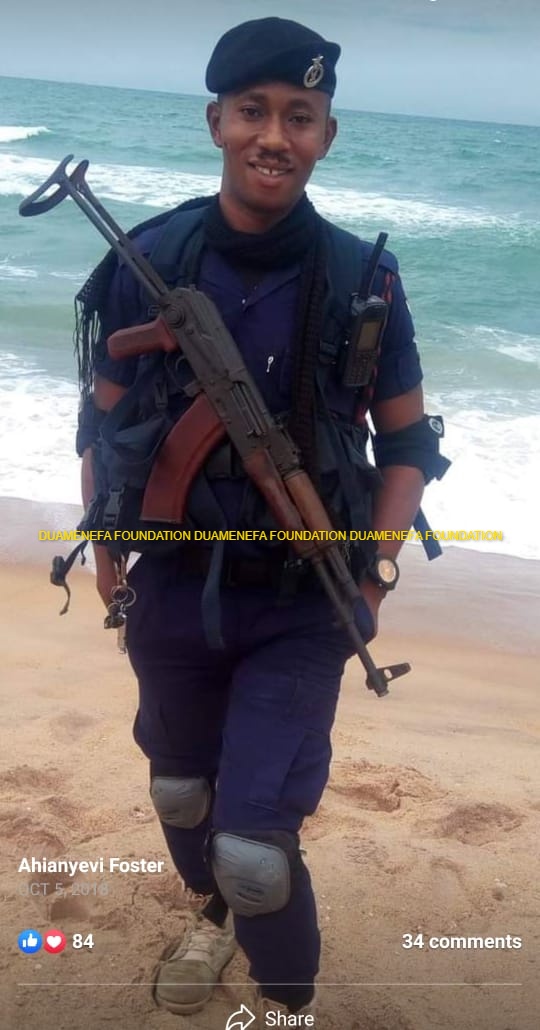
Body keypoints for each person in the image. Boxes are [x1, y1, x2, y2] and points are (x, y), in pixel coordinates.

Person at [74, 16, 446, 1024]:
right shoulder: (148, 258)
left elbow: (408, 446)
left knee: (253, 846)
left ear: (327, 134)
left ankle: (285, 1004)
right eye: (253, 112)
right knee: (181, 795)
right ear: (217, 123)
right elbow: (101, 416)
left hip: (303, 602)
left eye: (300, 116)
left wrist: (376, 576)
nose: (274, 136)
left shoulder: (366, 281)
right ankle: (212, 916)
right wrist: (103, 545)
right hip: (170, 590)